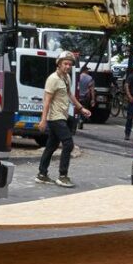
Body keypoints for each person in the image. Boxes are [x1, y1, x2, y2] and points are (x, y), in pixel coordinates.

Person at [35, 50, 92, 188]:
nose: (68, 66)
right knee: (68, 144)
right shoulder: (53, 79)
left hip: (62, 115)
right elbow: (47, 101)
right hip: (55, 118)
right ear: (59, 64)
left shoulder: (66, 78)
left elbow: (70, 95)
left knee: (51, 146)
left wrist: (81, 108)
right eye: (65, 63)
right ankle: (63, 175)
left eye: (70, 64)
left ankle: (42, 174)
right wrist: (43, 120)